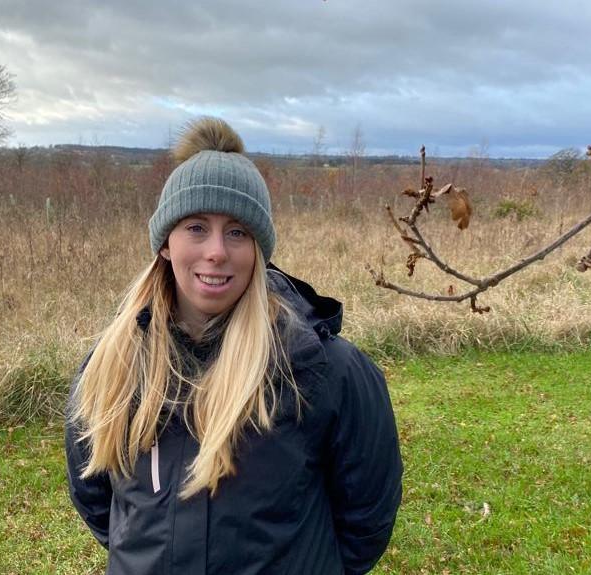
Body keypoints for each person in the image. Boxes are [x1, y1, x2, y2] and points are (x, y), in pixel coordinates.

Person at [65, 117, 403, 574]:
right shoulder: (112, 366)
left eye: (238, 232)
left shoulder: (322, 370)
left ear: (259, 250)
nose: (217, 251)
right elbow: (99, 502)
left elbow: (367, 520)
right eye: (196, 227)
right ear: (166, 242)